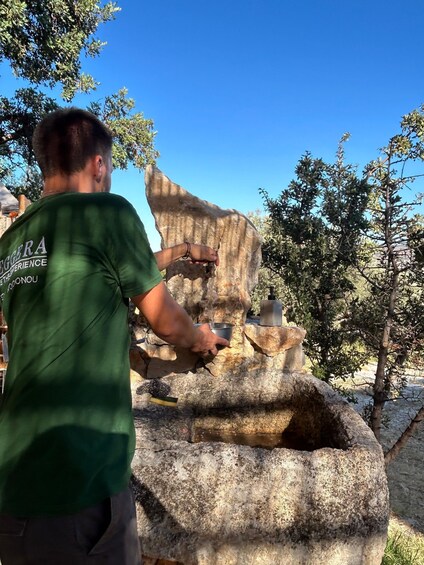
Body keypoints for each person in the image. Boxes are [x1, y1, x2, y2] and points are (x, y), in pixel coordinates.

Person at [0, 107, 228, 565]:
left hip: (15, 476)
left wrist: (181, 252)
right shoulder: (108, 212)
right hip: (81, 483)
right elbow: (166, 321)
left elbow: (93, 266)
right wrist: (200, 338)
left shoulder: (15, 240)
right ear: (99, 165)